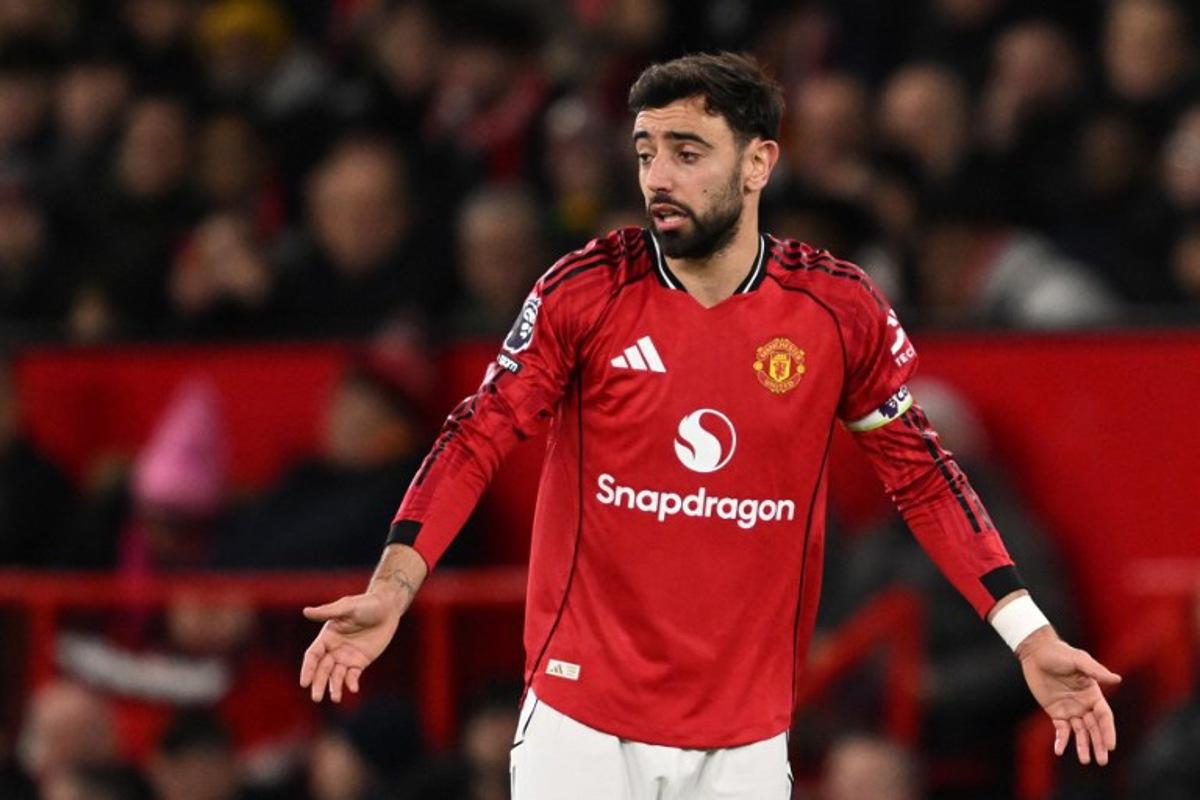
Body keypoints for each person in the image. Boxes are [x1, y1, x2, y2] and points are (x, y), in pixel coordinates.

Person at [300, 53, 1121, 798]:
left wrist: (1028, 633)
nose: (659, 175)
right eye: (646, 151)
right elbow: (477, 434)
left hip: (746, 738)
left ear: (759, 161)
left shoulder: (836, 312)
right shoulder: (587, 291)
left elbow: (924, 476)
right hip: (583, 721)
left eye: (688, 153)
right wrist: (394, 585)